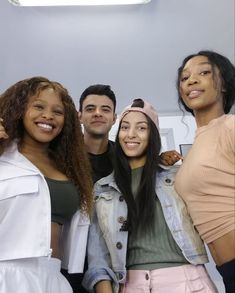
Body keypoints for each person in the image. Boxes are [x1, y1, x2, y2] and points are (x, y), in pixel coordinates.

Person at [82, 98, 218, 293]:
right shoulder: (103, 189)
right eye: (125, 127)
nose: (131, 134)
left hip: (188, 282)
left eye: (141, 128)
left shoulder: (177, 176)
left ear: (153, 135)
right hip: (130, 285)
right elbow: (98, 257)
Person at [0, 77, 93, 293]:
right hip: (8, 274)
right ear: (20, 110)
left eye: (57, 112)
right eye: (39, 106)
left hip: (54, 277)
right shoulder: (3, 159)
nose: (48, 116)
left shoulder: (71, 169)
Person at [174, 50, 235, 293]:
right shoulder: (197, 144)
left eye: (204, 72)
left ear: (223, 84)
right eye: (184, 77)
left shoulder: (230, 127)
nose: (191, 80)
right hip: (226, 271)